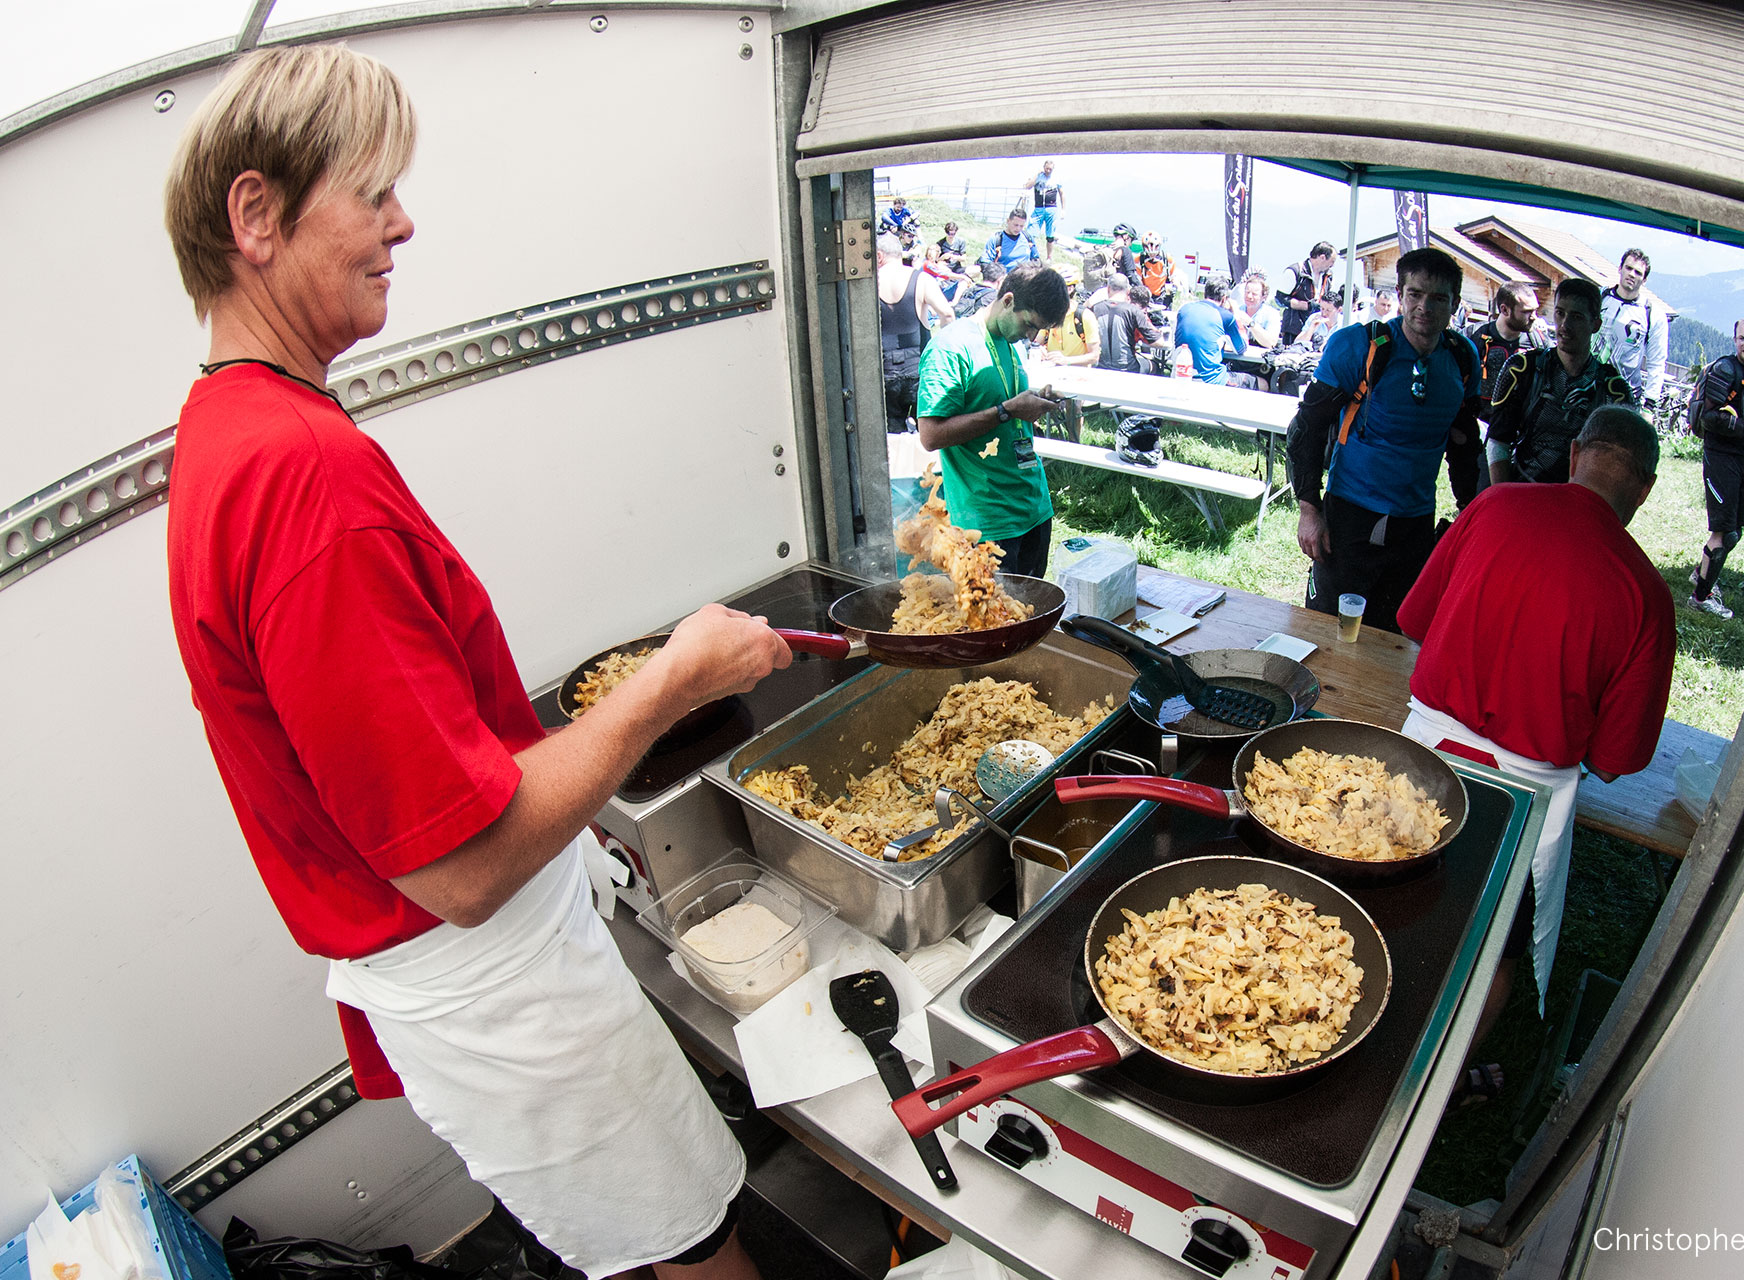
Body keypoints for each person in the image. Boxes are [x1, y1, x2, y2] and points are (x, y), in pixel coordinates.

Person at [161, 46, 781, 1280]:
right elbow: (463, 866)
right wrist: (673, 677)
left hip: (460, 968)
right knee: (692, 1247)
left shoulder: (233, 430)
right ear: (256, 214)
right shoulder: (301, 478)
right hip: (489, 979)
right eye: (373, 189)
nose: (404, 221)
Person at [1397, 406, 1675, 1044]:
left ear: (1576, 454)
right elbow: (1613, 759)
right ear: (1646, 488)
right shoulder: (1646, 596)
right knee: (1498, 945)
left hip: (1422, 750)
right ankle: (1451, 1071)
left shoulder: (1493, 507)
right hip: (1524, 796)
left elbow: (1416, 622)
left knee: (1392, 879)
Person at [1286, 246, 1483, 632]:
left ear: (1455, 303)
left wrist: (1469, 515)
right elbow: (1306, 429)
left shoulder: (1462, 358)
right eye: (1415, 294)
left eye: (1438, 298)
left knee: (1398, 633)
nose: (1424, 307)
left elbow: (1464, 444)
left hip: (1415, 522)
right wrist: (1309, 510)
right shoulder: (1358, 346)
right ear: (1400, 293)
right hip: (1350, 515)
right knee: (1329, 628)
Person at [916, 261, 1069, 577]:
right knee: (993, 621)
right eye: (1029, 325)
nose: (1032, 335)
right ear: (1008, 300)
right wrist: (1007, 410)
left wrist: (1035, 404)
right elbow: (930, 435)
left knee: (1031, 614)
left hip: (1033, 507)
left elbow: (1004, 403)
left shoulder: (1010, 342)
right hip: (986, 522)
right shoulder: (950, 347)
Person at [1485, 278, 1635, 485]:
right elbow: (1498, 440)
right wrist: (1501, 495)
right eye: (1560, 313)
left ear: (1595, 324)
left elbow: (1620, 459)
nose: (1565, 325)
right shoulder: (1522, 369)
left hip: (1580, 496)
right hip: (1522, 487)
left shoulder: (1612, 389)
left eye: (1577, 317)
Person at [1685, 318, 1744, 618]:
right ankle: (1700, 596)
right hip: (1721, 455)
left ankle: (1702, 574)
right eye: (1741, 339)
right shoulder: (1725, 370)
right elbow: (1710, 419)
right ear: (1734, 340)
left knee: (1735, 531)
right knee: (1724, 531)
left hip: (1741, 456)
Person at [1455, 282, 1544, 506]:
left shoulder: (1539, 345)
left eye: (1535, 310)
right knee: (1473, 496)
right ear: (1504, 310)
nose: (1534, 317)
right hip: (1477, 429)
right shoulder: (1473, 338)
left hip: (1518, 436)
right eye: (1527, 312)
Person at [878, 233, 952, 432]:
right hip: (919, 370)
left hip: (884, 371)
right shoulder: (921, 278)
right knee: (926, 433)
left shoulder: (870, 283)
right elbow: (947, 313)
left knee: (891, 436)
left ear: (878, 256)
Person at [1595, 248, 1670, 409]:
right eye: (1628, 268)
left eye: (1638, 272)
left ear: (1644, 280)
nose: (1632, 274)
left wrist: (1649, 406)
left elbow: (1657, 362)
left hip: (1624, 396)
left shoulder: (1653, 314)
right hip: (1588, 385)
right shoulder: (1599, 297)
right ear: (1619, 268)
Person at [1172, 277, 1247, 385]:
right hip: (1210, 380)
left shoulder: (1184, 309)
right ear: (1224, 299)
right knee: (1262, 383)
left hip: (1180, 374)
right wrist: (1236, 314)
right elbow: (1241, 348)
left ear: (1204, 294)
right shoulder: (1226, 316)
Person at [1090, 272, 1160, 374]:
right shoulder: (1134, 311)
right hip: (1128, 368)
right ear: (1128, 292)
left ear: (1108, 289)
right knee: (1155, 366)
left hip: (1101, 366)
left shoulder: (1095, 308)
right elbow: (1158, 342)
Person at [1278, 242, 1336, 346]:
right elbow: (1280, 299)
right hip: (1295, 327)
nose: (1332, 265)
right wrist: (1307, 306)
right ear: (1322, 257)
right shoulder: (1295, 271)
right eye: (1332, 261)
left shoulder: (1328, 275)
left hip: (1318, 329)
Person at [1042, 274, 1100, 367]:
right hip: (1051, 373)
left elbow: (1094, 356)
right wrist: (1039, 350)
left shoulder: (1085, 316)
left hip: (1077, 376)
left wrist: (1066, 360)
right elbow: (1037, 342)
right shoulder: (1047, 314)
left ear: (1070, 289)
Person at [1230, 270, 1282, 349]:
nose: (1249, 296)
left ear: (1264, 297)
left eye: (1254, 294)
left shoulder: (1272, 314)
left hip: (1259, 359)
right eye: (1247, 292)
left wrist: (1250, 323)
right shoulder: (1237, 311)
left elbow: (1271, 343)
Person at [979, 208, 1041, 272]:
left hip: (1024, 279)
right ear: (1008, 221)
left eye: (1021, 226)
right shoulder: (997, 239)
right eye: (1015, 225)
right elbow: (985, 263)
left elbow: (1036, 260)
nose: (1018, 228)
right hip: (1004, 279)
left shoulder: (1028, 238)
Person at [1024, 159, 1063, 248]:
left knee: (1050, 235)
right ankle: (1029, 254)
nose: (1048, 171)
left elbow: (1062, 194)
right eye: (1047, 169)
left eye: (1050, 169)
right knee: (1031, 234)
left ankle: (1049, 257)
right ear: (1043, 168)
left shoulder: (1056, 179)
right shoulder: (1038, 177)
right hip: (1039, 207)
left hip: (1051, 208)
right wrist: (1036, 174)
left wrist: (1063, 209)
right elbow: (1027, 186)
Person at [1135, 230, 1177, 305]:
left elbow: (1174, 277)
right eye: (1150, 253)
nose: (1152, 256)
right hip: (1145, 295)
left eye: (1155, 253)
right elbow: (1137, 279)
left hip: (1163, 296)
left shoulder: (1167, 259)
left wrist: (1174, 287)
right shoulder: (1139, 259)